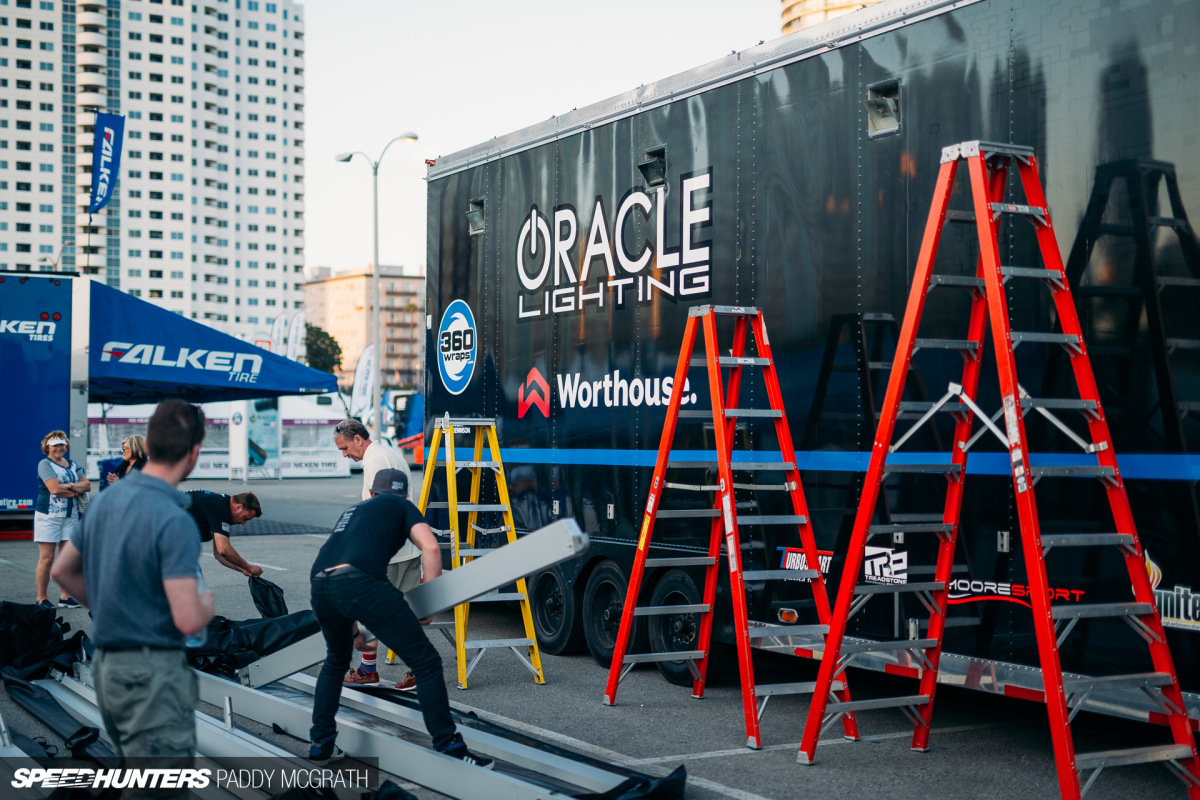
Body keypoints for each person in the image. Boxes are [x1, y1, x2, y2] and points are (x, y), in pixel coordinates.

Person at [50, 400, 215, 798]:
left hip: (108, 666)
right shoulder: (173, 518)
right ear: (193, 452)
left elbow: (63, 570)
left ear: (151, 443)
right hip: (152, 673)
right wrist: (205, 604)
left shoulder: (108, 499)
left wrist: (111, 607)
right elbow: (189, 619)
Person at [308, 468, 491, 769]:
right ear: (406, 494)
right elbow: (430, 547)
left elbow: (338, 567)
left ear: (371, 493)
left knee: (336, 661)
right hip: (360, 582)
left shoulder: (353, 511)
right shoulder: (403, 506)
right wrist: (429, 605)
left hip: (321, 583)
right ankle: (449, 745)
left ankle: (320, 744)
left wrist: (352, 626)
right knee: (427, 662)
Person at [333, 419, 420, 689]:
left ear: (358, 438)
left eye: (345, 448)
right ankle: (418, 668)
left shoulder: (375, 461)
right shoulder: (389, 452)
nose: (346, 455)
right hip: (408, 547)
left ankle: (368, 669)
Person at [34, 430, 89, 610]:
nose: (59, 448)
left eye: (62, 444)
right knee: (47, 558)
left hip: (70, 516)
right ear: (48, 447)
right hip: (49, 517)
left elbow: (87, 485)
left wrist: (68, 486)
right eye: (55, 445)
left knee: (66, 559)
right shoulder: (45, 464)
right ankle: (41, 598)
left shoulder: (73, 464)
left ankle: (65, 597)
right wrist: (75, 491)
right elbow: (54, 489)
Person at [185, 490, 264, 577]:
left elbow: (219, 555)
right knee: (194, 580)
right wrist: (249, 567)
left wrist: (243, 569)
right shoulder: (220, 509)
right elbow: (223, 549)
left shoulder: (222, 504)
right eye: (245, 518)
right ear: (238, 507)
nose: (243, 523)